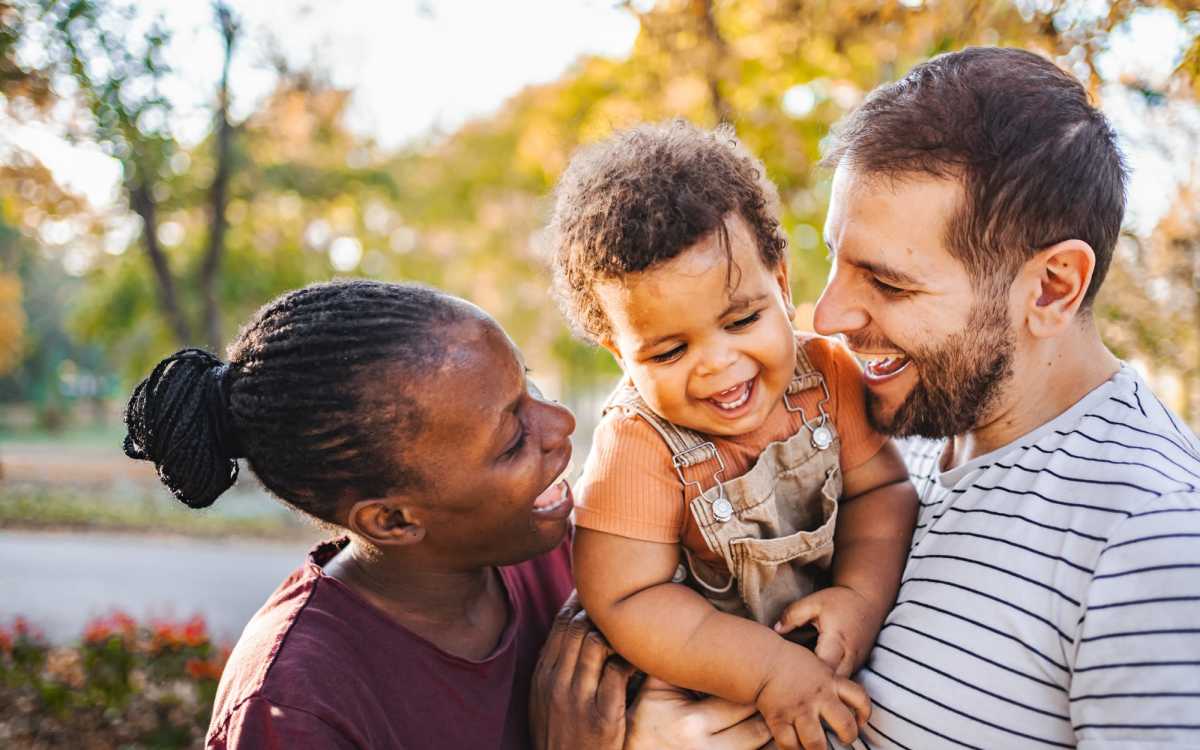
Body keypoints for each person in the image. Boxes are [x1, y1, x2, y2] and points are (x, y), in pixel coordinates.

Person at [122, 279, 771, 750]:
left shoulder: (570, 552)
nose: (563, 424)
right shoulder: (297, 708)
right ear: (392, 521)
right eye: (513, 440)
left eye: (531, 387)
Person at [812, 47, 1200, 748]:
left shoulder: (1156, 537)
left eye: (889, 283)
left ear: (1053, 286)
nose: (827, 315)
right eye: (835, 256)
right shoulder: (897, 432)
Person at [548, 120, 919, 750]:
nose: (718, 365)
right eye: (668, 351)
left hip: (824, 661)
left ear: (780, 282)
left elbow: (882, 493)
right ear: (621, 355)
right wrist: (768, 670)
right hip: (708, 696)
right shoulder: (638, 443)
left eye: (742, 319)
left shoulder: (827, 375)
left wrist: (858, 596)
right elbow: (626, 598)